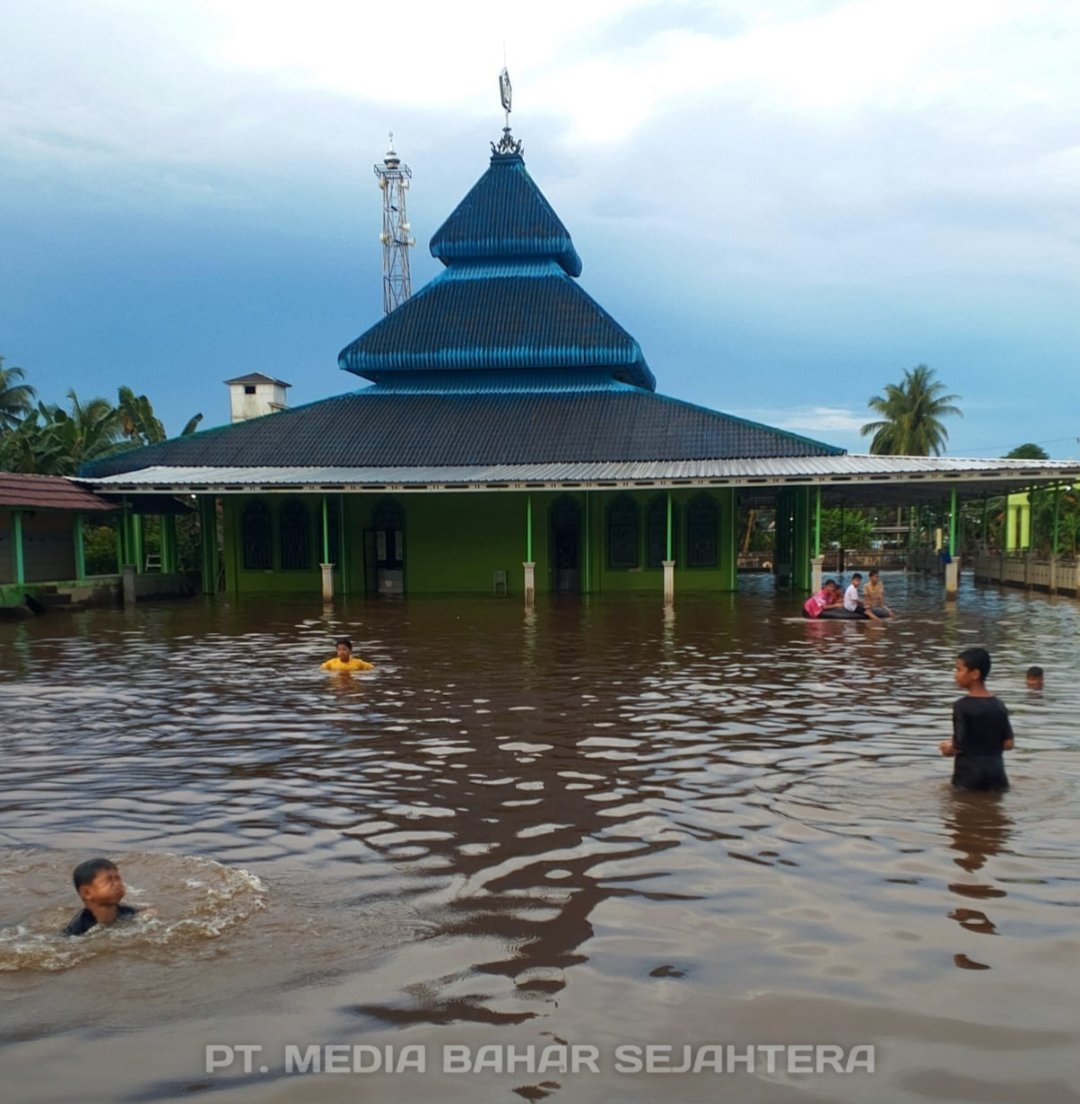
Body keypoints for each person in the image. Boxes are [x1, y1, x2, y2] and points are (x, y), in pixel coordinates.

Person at [938, 647, 1014, 791]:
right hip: (997, 776)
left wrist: (948, 749)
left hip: (968, 777)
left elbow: (959, 745)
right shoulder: (999, 705)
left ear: (975, 674)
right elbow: (1009, 743)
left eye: (959, 670)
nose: (956, 675)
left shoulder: (961, 706)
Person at [64, 858, 141, 937]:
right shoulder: (79, 929)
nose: (118, 884)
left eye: (118, 878)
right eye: (109, 880)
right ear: (86, 893)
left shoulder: (129, 912)